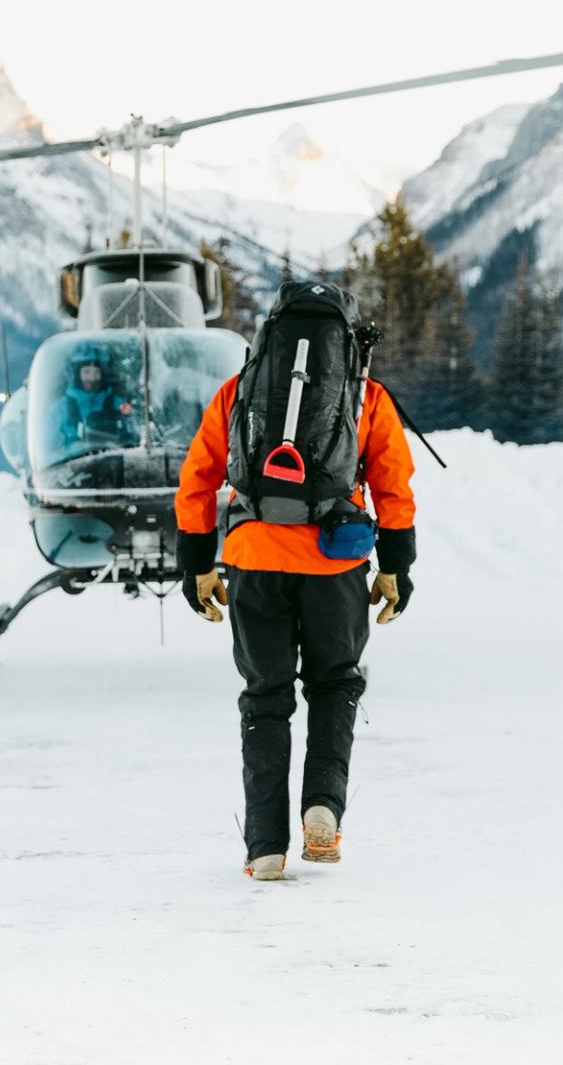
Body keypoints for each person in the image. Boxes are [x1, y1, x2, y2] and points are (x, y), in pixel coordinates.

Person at [174, 291, 416, 882]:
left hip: (253, 560)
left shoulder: (240, 391)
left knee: (266, 696)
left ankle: (263, 847)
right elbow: (394, 488)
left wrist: (198, 564)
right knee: (334, 685)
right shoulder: (366, 395)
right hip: (335, 566)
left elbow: (197, 481)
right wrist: (395, 568)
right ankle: (322, 809)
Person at [57, 349, 137, 451]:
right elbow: (50, 446)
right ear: (77, 374)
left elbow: (134, 429)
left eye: (96, 373)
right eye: (87, 372)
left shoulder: (117, 403)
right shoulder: (62, 407)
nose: (92, 378)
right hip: (72, 461)